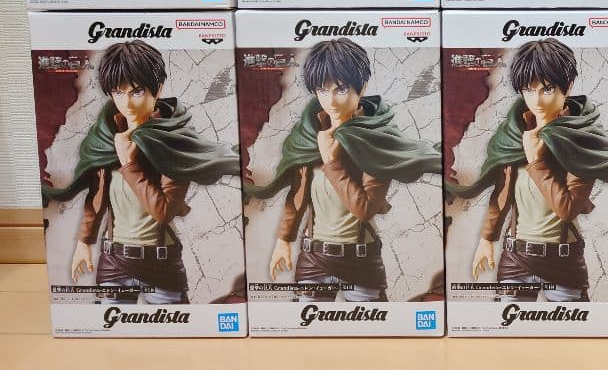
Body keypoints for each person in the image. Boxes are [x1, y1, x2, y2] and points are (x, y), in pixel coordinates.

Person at [244, 39, 441, 302]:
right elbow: (299, 194)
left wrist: (332, 162)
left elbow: (365, 209)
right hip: (314, 259)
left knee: (372, 326)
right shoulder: (309, 136)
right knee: (308, 325)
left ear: (362, 87)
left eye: (342, 89)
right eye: (322, 91)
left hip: (360, 261)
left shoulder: (375, 140)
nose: (332, 101)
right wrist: (284, 240)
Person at [42, 40, 237, 305]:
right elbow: (97, 197)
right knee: (111, 326)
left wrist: (130, 165)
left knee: (175, 327)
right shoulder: (107, 139)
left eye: (137, 91)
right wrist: (84, 243)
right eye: (117, 92)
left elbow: (164, 211)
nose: (127, 103)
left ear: (158, 89)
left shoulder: (173, 142)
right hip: (114, 262)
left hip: (160, 263)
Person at [447, 39, 608, 302]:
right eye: (528, 90)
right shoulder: (514, 136)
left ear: (567, 86)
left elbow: (567, 209)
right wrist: (487, 239)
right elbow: (503, 194)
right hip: (516, 259)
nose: (536, 100)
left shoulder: (581, 141)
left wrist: (536, 162)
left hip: (562, 261)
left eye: (547, 89)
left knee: (572, 326)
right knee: (508, 325)